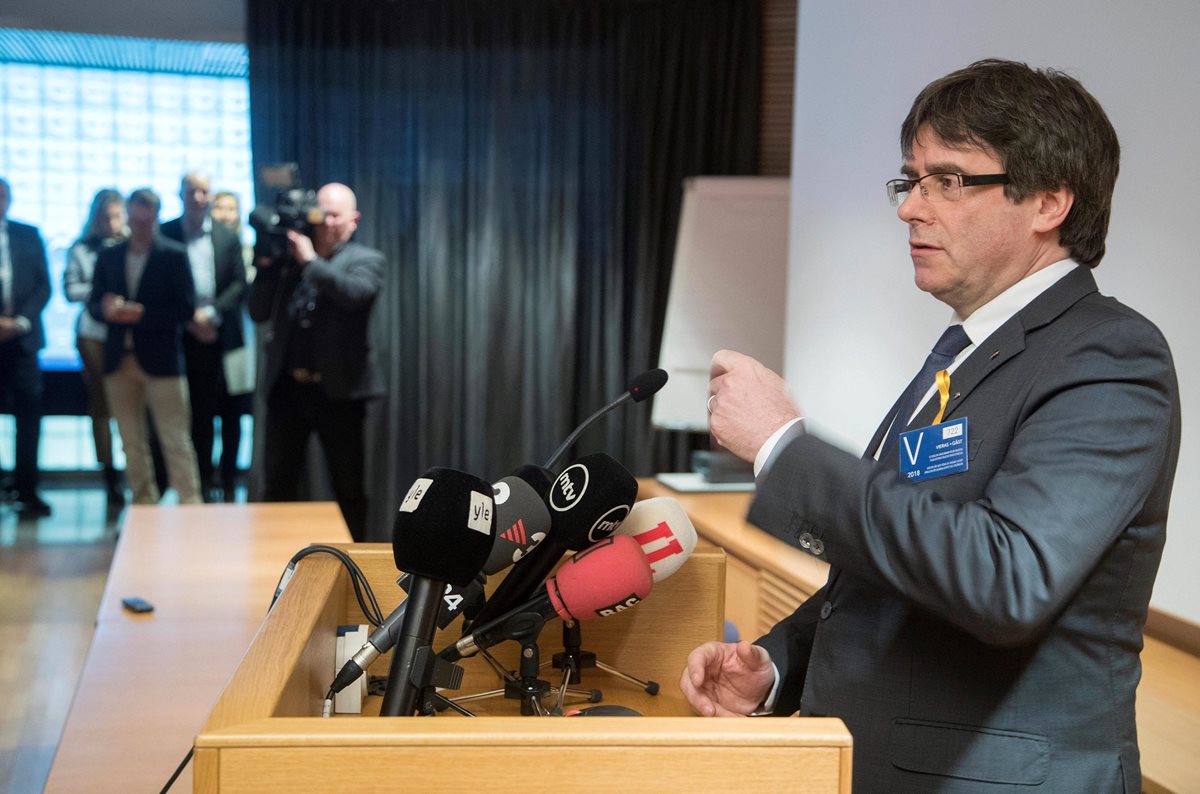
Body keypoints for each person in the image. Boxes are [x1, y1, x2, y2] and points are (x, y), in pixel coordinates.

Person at [681, 59, 1181, 793]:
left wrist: (783, 447)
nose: (910, 209)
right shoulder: (963, 351)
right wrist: (782, 662)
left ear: (1048, 201)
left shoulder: (1110, 355)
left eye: (947, 181)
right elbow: (906, 564)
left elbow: (1005, 581)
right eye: (910, 181)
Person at [248, 182, 385, 541]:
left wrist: (309, 261)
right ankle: (275, 559)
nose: (326, 221)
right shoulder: (287, 262)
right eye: (320, 213)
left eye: (335, 214)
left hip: (338, 392)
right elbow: (258, 311)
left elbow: (354, 294)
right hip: (287, 391)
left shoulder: (366, 260)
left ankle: (356, 567)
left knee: (348, 487)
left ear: (353, 220)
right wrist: (267, 263)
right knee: (277, 485)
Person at [89, 188, 202, 505]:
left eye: (146, 220)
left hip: (162, 360)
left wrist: (142, 314)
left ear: (155, 217)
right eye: (135, 220)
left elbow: (186, 308)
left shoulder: (173, 254)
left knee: (175, 439)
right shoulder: (110, 255)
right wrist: (107, 309)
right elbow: (93, 304)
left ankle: (191, 506)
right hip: (118, 360)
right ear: (128, 215)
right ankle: (142, 507)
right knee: (130, 442)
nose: (140, 226)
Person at [161, 172, 248, 502]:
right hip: (181, 338)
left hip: (223, 336)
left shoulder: (227, 236)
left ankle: (227, 481)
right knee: (193, 415)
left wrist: (211, 316)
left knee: (229, 412)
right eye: (191, 191)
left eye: (204, 191)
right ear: (180, 194)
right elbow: (162, 287)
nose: (198, 197)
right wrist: (190, 319)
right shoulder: (167, 233)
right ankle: (199, 483)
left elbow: (239, 283)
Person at [64, 188, 128, 505]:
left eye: (117, 216)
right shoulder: (82, 247)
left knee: (132, 403)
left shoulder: (136, 246)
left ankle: (139, 473)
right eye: (105, 217)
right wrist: (99, 294)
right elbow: (71, 289)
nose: (111, 223)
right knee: (101, 406)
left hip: (129, 334)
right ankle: (109, 475)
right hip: (93, 333)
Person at [0, 177, 52, 517]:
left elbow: (42, 286)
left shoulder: (27, 234)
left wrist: (18, 321)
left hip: (23, 340)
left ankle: (27, 490)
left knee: (29, 417)